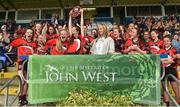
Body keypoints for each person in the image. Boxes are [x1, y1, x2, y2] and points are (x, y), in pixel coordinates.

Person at [160, 36, 180, 106]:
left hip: (172, 70)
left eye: (167, 41)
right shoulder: (161, 50)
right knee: (165, 88)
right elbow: (161, 61)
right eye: (164, 41)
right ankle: (167, 104)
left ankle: (178, 104)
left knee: (175, 89)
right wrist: (169, 60)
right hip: (163, 70)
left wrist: (168, 60)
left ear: (170, 42)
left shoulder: (174, 50)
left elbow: (173, 61)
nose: (166, 42)